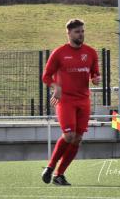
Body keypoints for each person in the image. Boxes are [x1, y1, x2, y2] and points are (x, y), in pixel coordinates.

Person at [40, 19, 101, 186]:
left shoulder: (91, 52)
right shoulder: (59, 53)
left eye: (82, 31)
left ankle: (59, 175)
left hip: (84, 101)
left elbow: (95, 73)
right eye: (77, 32)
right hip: (65, 101)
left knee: (77, 139)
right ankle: (50, 167)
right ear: (69, 33)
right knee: (69, 135)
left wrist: (96, 78)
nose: (81, 34)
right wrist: (56, 86)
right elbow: (46, 76)